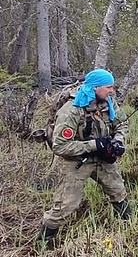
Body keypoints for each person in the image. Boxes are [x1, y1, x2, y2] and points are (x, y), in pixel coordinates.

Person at [38, 68, 130, 247]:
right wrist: (95, 145)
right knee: (65, 205)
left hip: (102, 159)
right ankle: (43, 243)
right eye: (109, 87)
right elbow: (59, 145)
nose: (112, 91)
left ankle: (129, 227)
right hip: (76, 162)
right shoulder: (71, 110)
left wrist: (118, 142)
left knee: (118, 191)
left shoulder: (109, 102)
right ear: (95, 88)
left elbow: (122, 124)